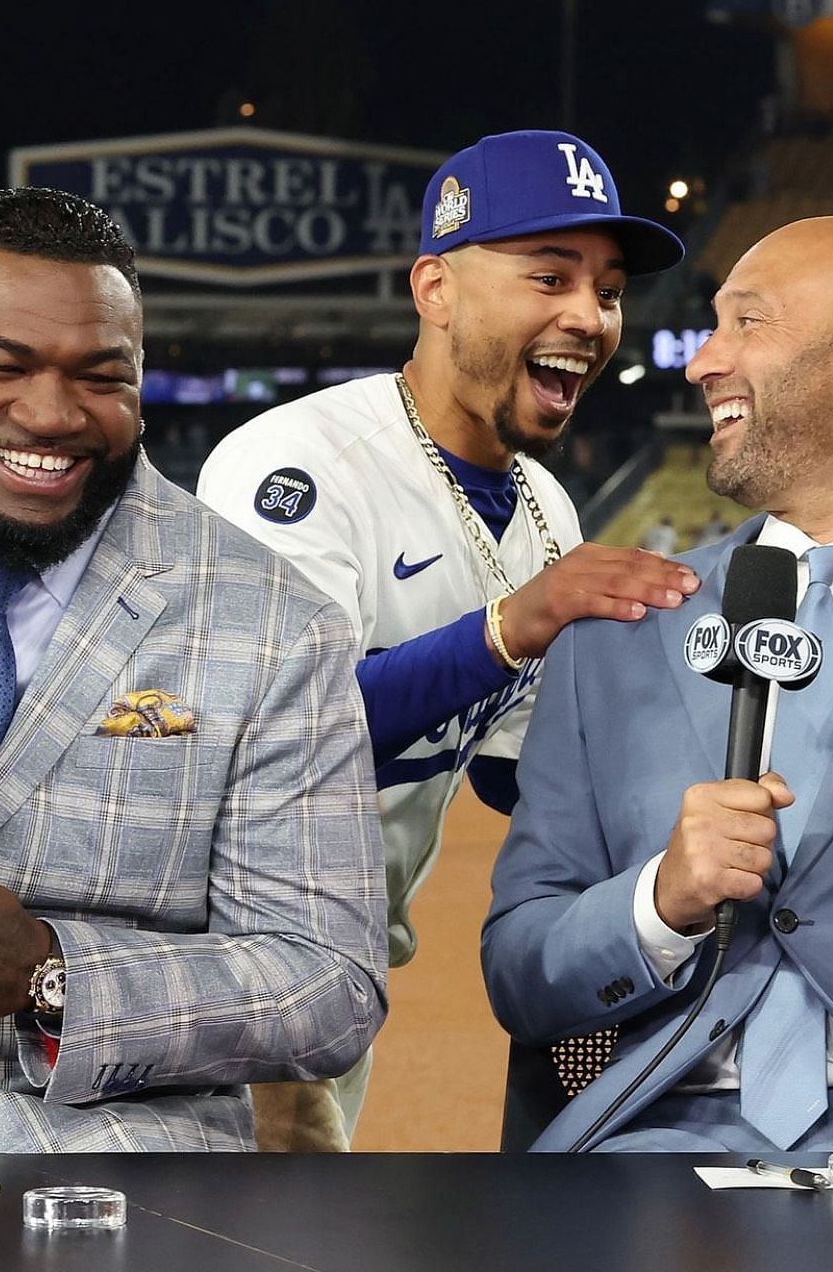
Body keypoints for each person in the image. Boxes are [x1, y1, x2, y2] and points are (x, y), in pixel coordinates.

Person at [0, 187, 387, 1153]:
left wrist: (54, 974)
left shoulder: (273, 622)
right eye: (2, 366)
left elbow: (331, 985)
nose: (52, 415)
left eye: (102, 376)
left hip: (87, 1187)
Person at [197, 129, 697, 1143]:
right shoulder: (296, 467)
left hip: (342, 973)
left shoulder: (545, 506)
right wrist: (516, 624)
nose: (588, 316)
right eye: (547, 275)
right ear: (436, 289)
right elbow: (273, 734)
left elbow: (518, 773)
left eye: (606, 289)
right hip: (210, 973)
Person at [482, 214, 833, 1156]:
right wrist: (659, 902)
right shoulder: (621, 632)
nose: (701, 361)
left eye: (746, 323)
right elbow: (520, 970)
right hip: (654, 1145)